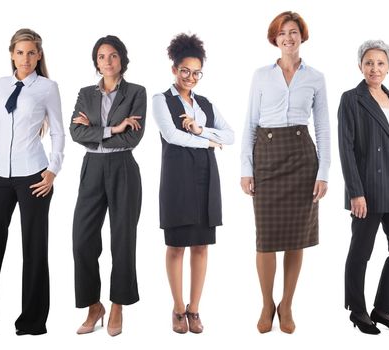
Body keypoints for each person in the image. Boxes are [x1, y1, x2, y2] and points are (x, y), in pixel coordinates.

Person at [0, 28, 65, 335]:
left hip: (34, 176)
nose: (25, 58)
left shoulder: (47, 88)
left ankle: (32, 322)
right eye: (20, 52)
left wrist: (52, 170)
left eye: (31, 53)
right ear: (12, 53)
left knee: (34, 248)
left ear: (39, 56)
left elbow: (59, 132)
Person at [240, 11, 330, 334]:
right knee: (265, 240)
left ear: (301, 36)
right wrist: (245, 168)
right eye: (282, 33)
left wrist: (324, 172)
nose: (288, 38)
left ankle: (287, 304)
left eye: (293, 32)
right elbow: (250, 122)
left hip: (302, 159)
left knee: (297, 239)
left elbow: (322, 127)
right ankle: (267, 303)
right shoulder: (261, 75)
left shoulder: (316, 77)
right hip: (266, 156)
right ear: (275, 39)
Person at [153, 33, 234, 334]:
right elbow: (172, 136)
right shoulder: (160, 100)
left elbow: (231, 136)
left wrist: (201, 129)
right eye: (185, 70)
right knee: (176, 246)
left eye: (196, 72)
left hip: (205, 177)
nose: (190, 77)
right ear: (174, 69)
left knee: (201, 245)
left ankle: (195, 309)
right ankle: (177, 308)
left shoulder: (205, 104)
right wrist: (208, 141)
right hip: (176, 178)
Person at [338, 40, 389, 335]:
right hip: (367, 189)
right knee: (361, 251)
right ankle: (357, 311)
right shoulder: (351, 99)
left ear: (388, 67)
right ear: (360, 65)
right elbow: (346, 149)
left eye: (380, 63)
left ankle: (383, 309)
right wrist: (356, 192)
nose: (375, 68)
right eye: (369, 62)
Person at [70, 35, 146, 337]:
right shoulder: (86, 93)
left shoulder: (136, 92)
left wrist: (94, 130)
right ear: (96, 62)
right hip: (92, 167)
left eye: (113, 56)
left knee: (122, 239)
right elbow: (76, 132)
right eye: (101, 57)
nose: (107, 62)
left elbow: (133, 138)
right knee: (82, 240)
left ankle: (117, 304)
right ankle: (93, 305)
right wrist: (115, 126)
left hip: (123, 167)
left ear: (122, 59)